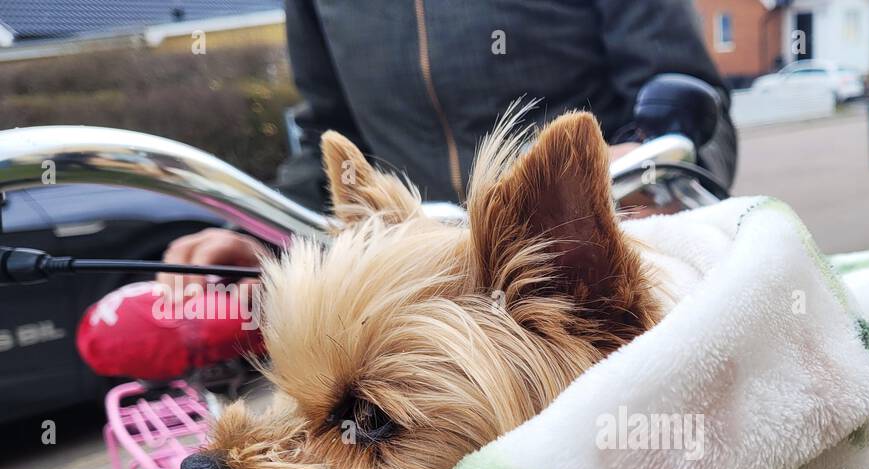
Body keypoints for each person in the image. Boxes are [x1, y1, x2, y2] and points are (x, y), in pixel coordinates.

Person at [162, 0, 737, 275]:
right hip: (422, 304)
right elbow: (327, 141)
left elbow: (692, 105)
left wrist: (653, 169)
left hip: (593, 276)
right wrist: (259, 234)